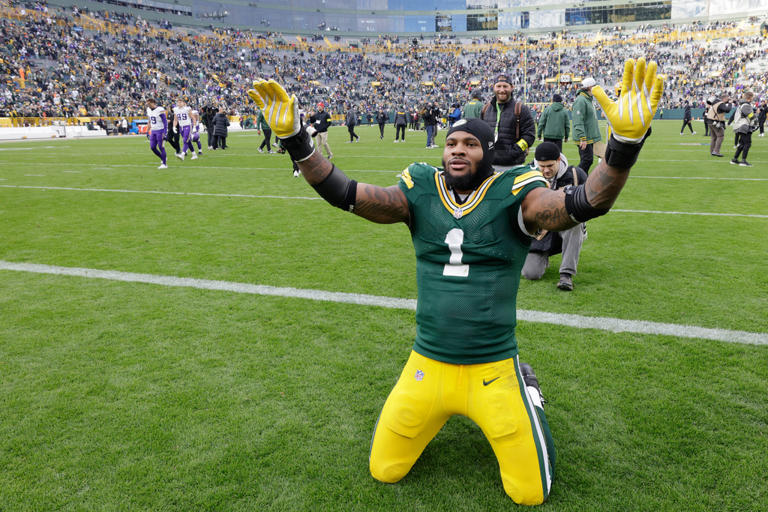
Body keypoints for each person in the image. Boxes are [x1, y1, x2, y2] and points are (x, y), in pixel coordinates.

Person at [247, 55, 664, 506]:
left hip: (492, 368)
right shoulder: (420, 190)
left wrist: (622, 145)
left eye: (470, 144)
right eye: (451, 144)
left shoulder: (515, 191)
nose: (458, 150)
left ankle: (529, 393)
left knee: (529, 493)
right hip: (428, 364)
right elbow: (344, 193)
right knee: (384, 469)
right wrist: (297, 141)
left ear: (488, 153)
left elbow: (583, 203)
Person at [521, 142, 587, 291]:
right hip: (538, 231)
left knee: (575, 222)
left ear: (558, 159)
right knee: (531, 273)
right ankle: (542, 257)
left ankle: (566, 275)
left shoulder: (576, 175)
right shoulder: (526, 175)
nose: (546, 170)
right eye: (542, 166)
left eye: (550, 165)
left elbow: (589, 204)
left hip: (565, 226)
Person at [480, 73, 535, 170]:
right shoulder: (485, 109)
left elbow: (529, 136)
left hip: (513, 166)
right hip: (489, 166)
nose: (502, 90)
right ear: (493, 87)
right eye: (498, 86)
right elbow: (480, 135)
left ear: (512, 87)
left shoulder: (521, 109)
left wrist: (515, 151)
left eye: (505, 86)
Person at [571, 77, 602, 173]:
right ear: (589, 87)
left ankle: (582, 178)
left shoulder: (587, 99)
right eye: (594, 86)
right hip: (585, 138)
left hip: (589, 137)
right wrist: (582, 138)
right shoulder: (581, 100)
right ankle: (575, 177)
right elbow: (578, 120)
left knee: (587, 160)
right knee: (587, 160)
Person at [730, 90, 756, 167]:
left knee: (742, 143)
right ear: (749, 98)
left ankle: (735, 159)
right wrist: (756, 121)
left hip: (740, 125)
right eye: (752, 97)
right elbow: (750, 115)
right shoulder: (746, 105)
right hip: (743, 125)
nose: (753, 99)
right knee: (747, 143)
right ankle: (743, 161)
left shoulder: (741, 105)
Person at [706, 93, 731, 158]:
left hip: (710, 121)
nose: (728, 100)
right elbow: (727, 110)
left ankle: (712, 151)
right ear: (724, 99)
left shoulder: (716, 103)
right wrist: (730, 103)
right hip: (715, 122)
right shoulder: (721, 104)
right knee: (720, 136)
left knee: (713, 137)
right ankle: (716, 151)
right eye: (727, 99)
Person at [145, 97, 168, 169]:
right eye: (147, 104)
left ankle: (164, 164)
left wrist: (165, 132)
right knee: (152, 147)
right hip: (153, 131)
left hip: (160, 130)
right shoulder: (148, 110)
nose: (148, 105)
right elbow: (149, 121)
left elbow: (165, 121)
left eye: (149, 104)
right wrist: (147, 131)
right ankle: (163, 158)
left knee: (161, 147)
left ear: (153, 103)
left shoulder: (160, 109)